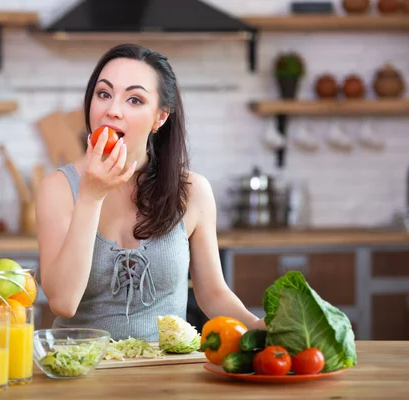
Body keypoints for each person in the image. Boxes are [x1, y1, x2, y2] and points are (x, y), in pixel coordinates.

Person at [36, 43, 266, 342]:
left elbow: (212, 293)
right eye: (103, 94)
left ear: (160, 117)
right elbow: (63, 303)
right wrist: (91, 196)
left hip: (164, 374)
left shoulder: (193, 192)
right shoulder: (57, 189)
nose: (112, 110)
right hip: (80, 370)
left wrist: (257, 327)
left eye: (134, 100)